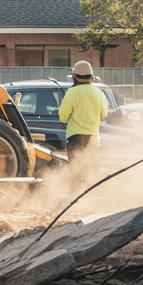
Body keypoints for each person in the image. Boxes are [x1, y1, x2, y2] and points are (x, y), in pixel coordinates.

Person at [58, 60, 107, 189]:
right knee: (91, 172)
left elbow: (63, 117)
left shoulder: (72, 93)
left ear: (75, 76)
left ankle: (75, 200)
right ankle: (90, 200)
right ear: (91, 77)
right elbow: (104, 114)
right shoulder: (99, 93)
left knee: (75, 171)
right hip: (93, 138)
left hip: (75, 138)